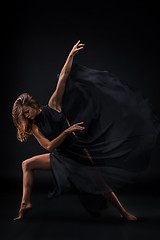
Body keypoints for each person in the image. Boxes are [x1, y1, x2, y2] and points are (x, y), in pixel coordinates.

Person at [12, 41, 160, 221]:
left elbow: (63, 77)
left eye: (26, 112)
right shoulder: (34, 126)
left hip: (78, 153)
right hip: (59, 157)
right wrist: (67, 131)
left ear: (34, 105)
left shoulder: (53, 105)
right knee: (26, 164)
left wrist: (71, 55)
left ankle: (123, 213)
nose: (26, 117)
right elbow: (50, 147)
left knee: (100, 183)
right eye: (23, 116)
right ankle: (25, 203)